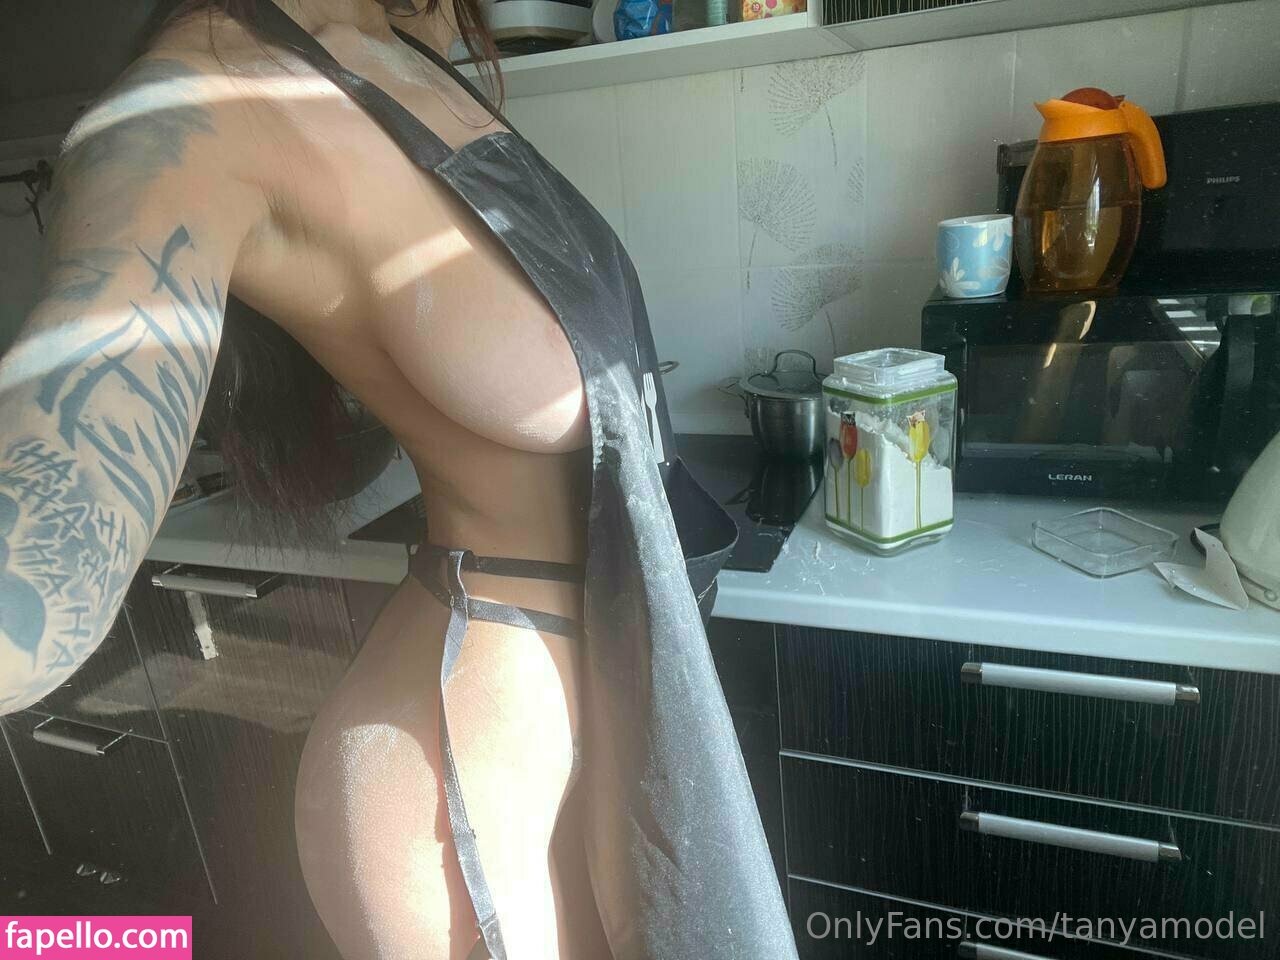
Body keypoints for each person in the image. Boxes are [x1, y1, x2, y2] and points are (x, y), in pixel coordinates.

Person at [0, 2, 796, 958]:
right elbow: (47, 530)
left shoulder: (399, 46)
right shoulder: (186, 111)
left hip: (612, 696)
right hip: (458, 773)